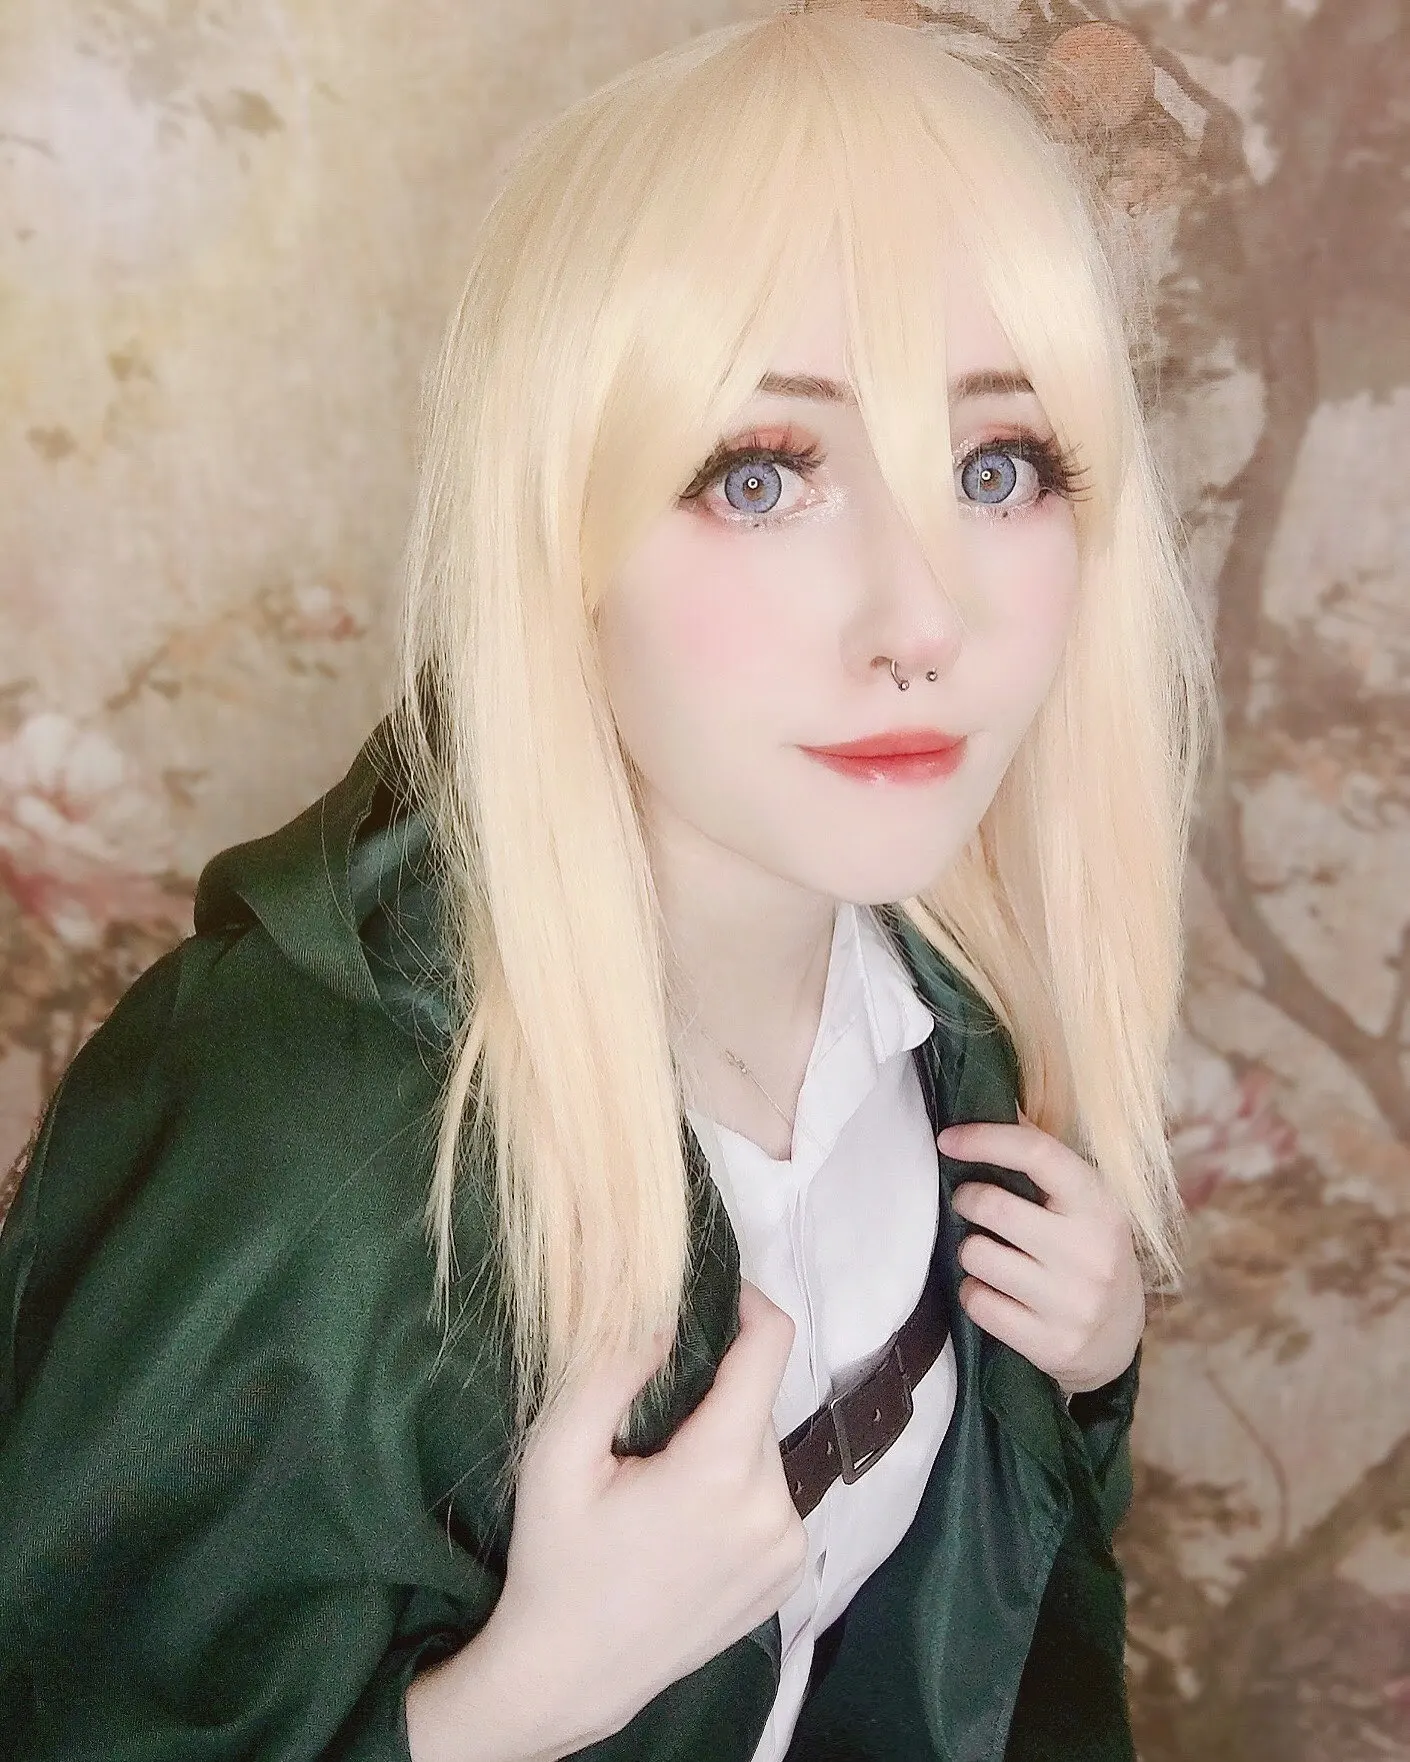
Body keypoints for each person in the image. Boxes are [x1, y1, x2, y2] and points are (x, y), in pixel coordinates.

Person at [0, 5, 1215, 1759]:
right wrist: (514, 1699)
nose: (921, 621)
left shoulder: (946, 1022)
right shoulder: (280, 1135)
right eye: (764, 475)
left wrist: (1075, 1374)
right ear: (560, 536)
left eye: (994, 467)